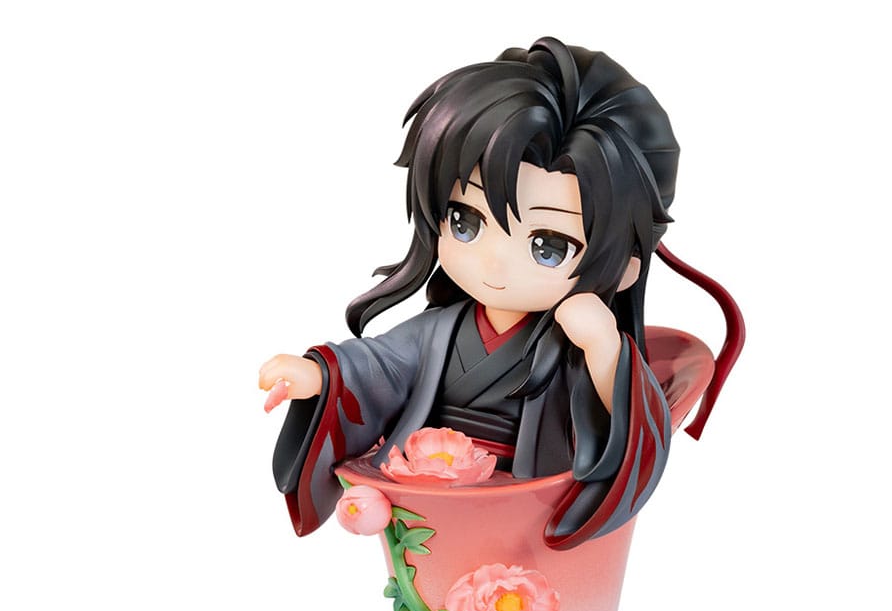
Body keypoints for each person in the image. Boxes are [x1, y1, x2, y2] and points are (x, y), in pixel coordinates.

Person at [258, 37, 743, 549]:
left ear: (623, 266)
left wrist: (604, 352)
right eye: (465, 221)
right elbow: (380, 365)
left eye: (547, 246)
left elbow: (625, 427)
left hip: (529, 504)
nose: (494, 263)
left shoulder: (575, 345)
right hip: (427, 492)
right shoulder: (440, 331)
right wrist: (321, 375)